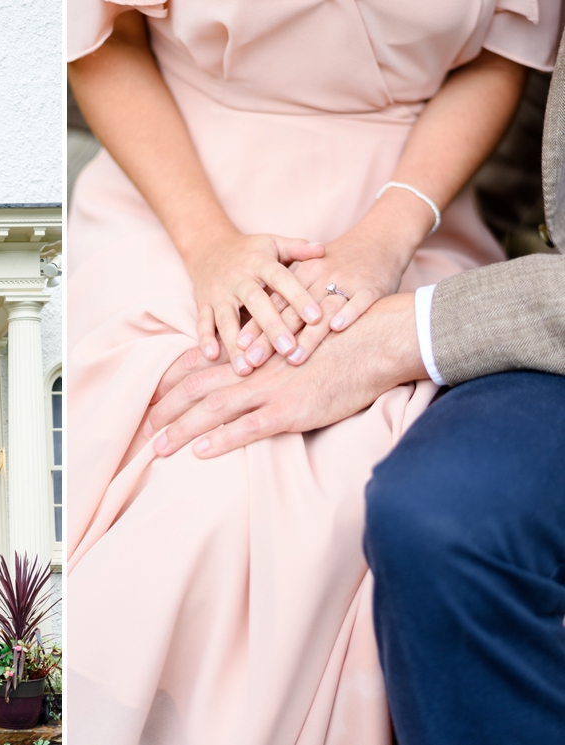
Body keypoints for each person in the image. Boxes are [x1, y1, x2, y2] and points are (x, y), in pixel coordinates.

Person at [66, 1, 563, 743]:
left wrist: (387, 236)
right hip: (179, 200)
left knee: (344, 506)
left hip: (408, 211)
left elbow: (505, 54)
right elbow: (101, 37)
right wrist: (209, 245)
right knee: (198, 487)